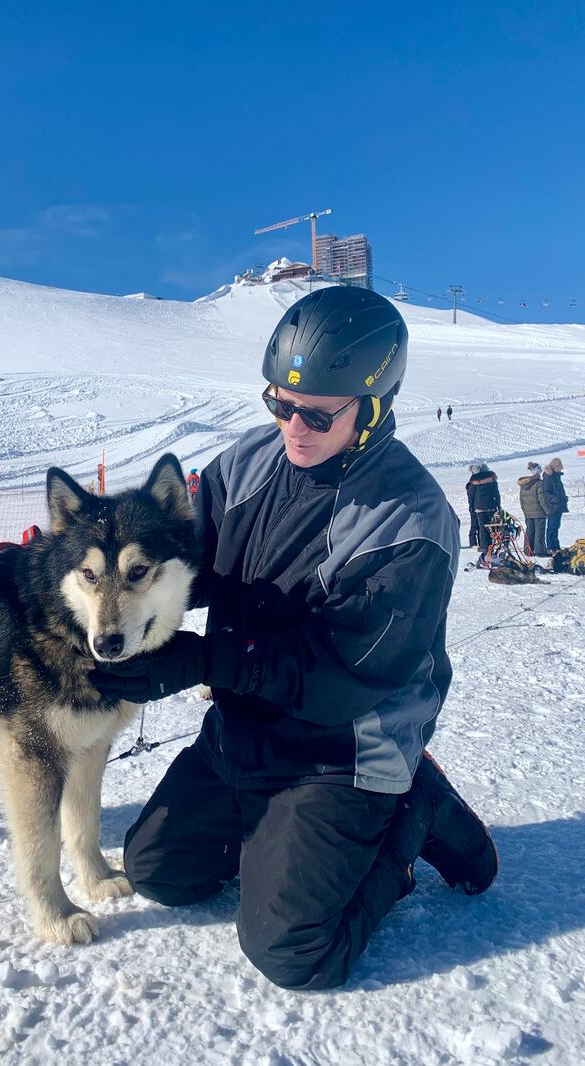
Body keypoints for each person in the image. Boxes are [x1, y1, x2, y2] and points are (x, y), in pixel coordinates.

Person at [90, 287, 497, 991]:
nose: (293, 426)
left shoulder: (410, 521)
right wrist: (89, 587)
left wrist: (200, 659)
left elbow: (344, 675)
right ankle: (278, 829)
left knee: (294, 952)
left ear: (371, 409)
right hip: (244, 731)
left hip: (345, 749)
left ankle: (409, 810)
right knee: (159, 872)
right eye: (280, 403)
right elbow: (181, 562)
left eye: (317, 413)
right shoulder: (245, 465)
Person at [518, 462, 548, 557]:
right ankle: (540, 551)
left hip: (528, 512)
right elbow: (542, 499)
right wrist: (547, 511)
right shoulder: (539, 483)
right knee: (539, 532)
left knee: (529, 531)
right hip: (539, 512)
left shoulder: (523, 484)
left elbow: (521, 499)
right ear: (537, 472)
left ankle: (528, 551)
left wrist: (525, 510)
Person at [468, 462, 501, 551]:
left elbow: (471, 495)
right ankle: (494, 544)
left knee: (482, 527)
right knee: (492, 526)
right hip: (491, 506)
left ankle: (484, 546)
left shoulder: (474, 482)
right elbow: (497, 494)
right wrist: (498, 505)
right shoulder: (492, 479)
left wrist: (471, 506)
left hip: (479, 507)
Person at [542, 457, 568, 552]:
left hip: (558, 506)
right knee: (552, 527)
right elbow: (546, 492)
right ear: (555, 467)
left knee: (556, 526)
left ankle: (555, 545)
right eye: (560, 467)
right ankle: (551, 547)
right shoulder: (549, 477)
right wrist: (556, 499)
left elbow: (558, 490)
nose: (561, 469)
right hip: (553, 506)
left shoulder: (555, 476)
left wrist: (564, 498)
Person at [464, 466, 481, 548]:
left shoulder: (473, 483)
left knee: (479, 525)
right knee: (474, 525)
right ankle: (473, 543)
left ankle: (480, 542)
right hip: (474, 507)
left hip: (476, 506)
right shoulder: (472, 484)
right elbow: (472, 497)